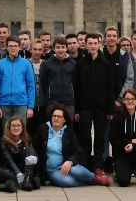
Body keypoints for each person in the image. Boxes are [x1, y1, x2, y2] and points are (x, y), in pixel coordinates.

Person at [33, 104, 110, 187]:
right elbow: (34, 148)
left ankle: (94, 179)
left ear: (64, 119)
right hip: (51, 170)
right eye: (54, 116)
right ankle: (88, 181)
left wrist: (69, 162)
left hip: (66, 165)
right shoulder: (42, 130)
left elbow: (78, 152)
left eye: (59, 116)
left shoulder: (69, 132)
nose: (55, 118)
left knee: (77, 171)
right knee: (67, 182)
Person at [75, 33, 115, 175]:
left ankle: (98, 165)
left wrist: (111, 109)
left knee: (100, 138)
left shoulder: (106, 64)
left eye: (95, 43)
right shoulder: (80, 63)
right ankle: (85, 164)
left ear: (99, 44)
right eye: (90, 43)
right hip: (85, 107)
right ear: (85, 45)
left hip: (102, 108)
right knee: (85, 137)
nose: (92, 46)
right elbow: (77, 88)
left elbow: (111, 87)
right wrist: (77, 109)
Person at [110, 89, 136, 186]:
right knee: (123, 182)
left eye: (133, 99)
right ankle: (118, 171)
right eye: (127, 99)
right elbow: (113, 141)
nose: (130, 101)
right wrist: (130, 141)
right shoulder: (117, 117)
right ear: (123, 101)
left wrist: (133, 145)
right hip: (121, 152)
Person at [0, 116, 40, 191]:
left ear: (22, 127)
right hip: (10, 170)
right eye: (13, 126)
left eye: (18, 126)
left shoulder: (27, 138)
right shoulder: (3, 141)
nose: (16, 128)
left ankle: (26, 181)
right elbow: (8, 160)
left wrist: (35, 159)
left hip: (25, 168)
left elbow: (34, 154)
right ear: (9, 127)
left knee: (30, 151)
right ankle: (29, 181)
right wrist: (18, 174)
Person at [0, 36, 36, 125]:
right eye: (10, 46)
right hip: (5, 104)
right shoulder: (0, 64)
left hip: (21, 104)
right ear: (6, 47)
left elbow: (31, 86)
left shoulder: (26, 64)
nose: (13, 48)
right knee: (6, 131)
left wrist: (30, 107)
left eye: (15, 46)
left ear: (19, 47)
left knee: (20, 130)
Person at [41, 36, 77, 116]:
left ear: (66, 48)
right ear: (54, 49)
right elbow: (44, 83)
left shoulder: (73, 63)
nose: (60, 50)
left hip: (69, 101)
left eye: (63, 47)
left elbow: (75, 83)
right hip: (52, 102)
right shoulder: (47, 64)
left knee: (69, 125)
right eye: (58, 47)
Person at [28, 39, 47, 136]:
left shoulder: (46, 65)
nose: (37, 52)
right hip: (29, 105)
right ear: (30, 50)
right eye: (35, 49)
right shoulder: (26, 64)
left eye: (40, 49)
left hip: (43, 105)